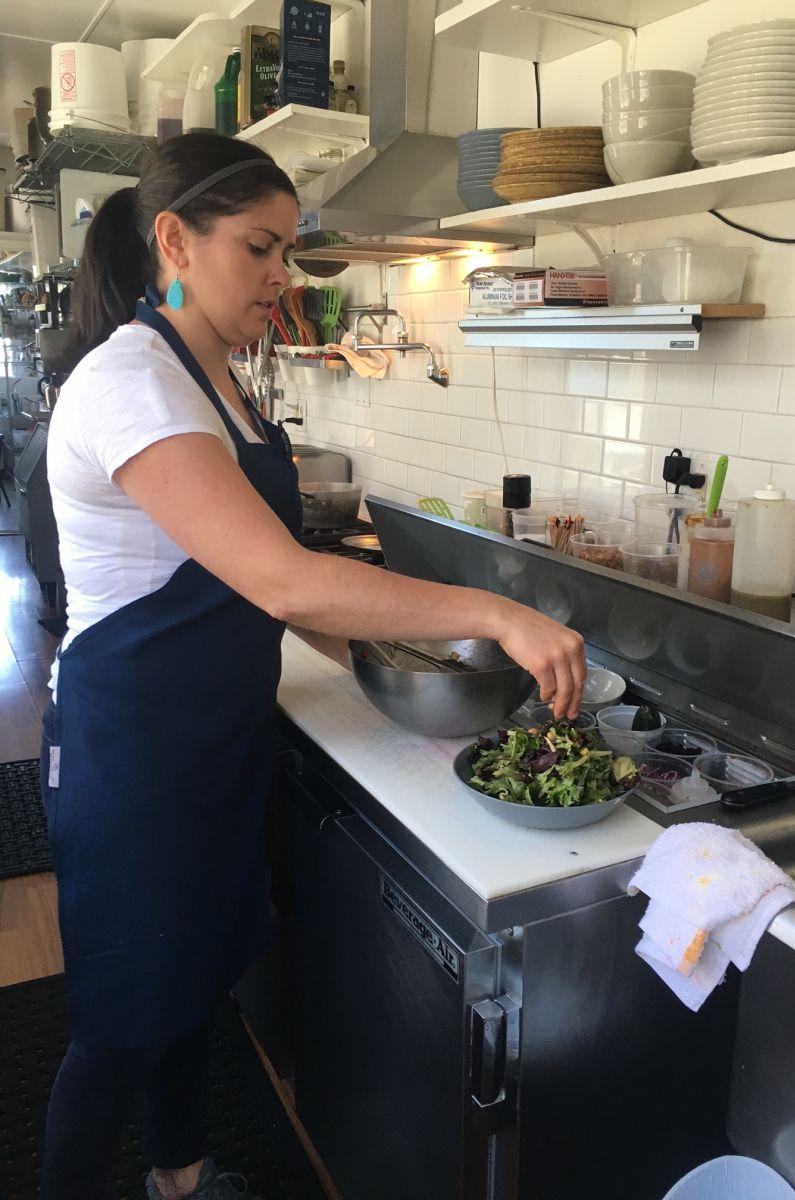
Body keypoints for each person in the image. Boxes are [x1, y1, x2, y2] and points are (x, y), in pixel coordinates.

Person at [41, 132, 585, 1200]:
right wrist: (494, 613)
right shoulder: (134, 385)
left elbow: (277, 593)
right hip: (134, 761)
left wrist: (408, 664)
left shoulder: (223, 381)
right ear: (175, 242)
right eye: (260, 248)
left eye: (288, 250)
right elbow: (285, 581)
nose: (283, 276)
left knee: (193, 991)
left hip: (215, 738)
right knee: (122, 1023)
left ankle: (179, 1179)